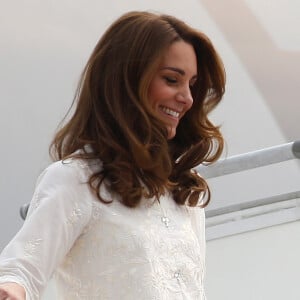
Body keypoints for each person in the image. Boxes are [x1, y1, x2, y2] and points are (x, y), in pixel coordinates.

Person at [0, 10, 225, 300]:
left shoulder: (184, 192)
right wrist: (12, 290)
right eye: (172, 80)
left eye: (192, 85)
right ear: (127, 81)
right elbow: (20, 272)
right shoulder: (75, 180)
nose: (187, 98)